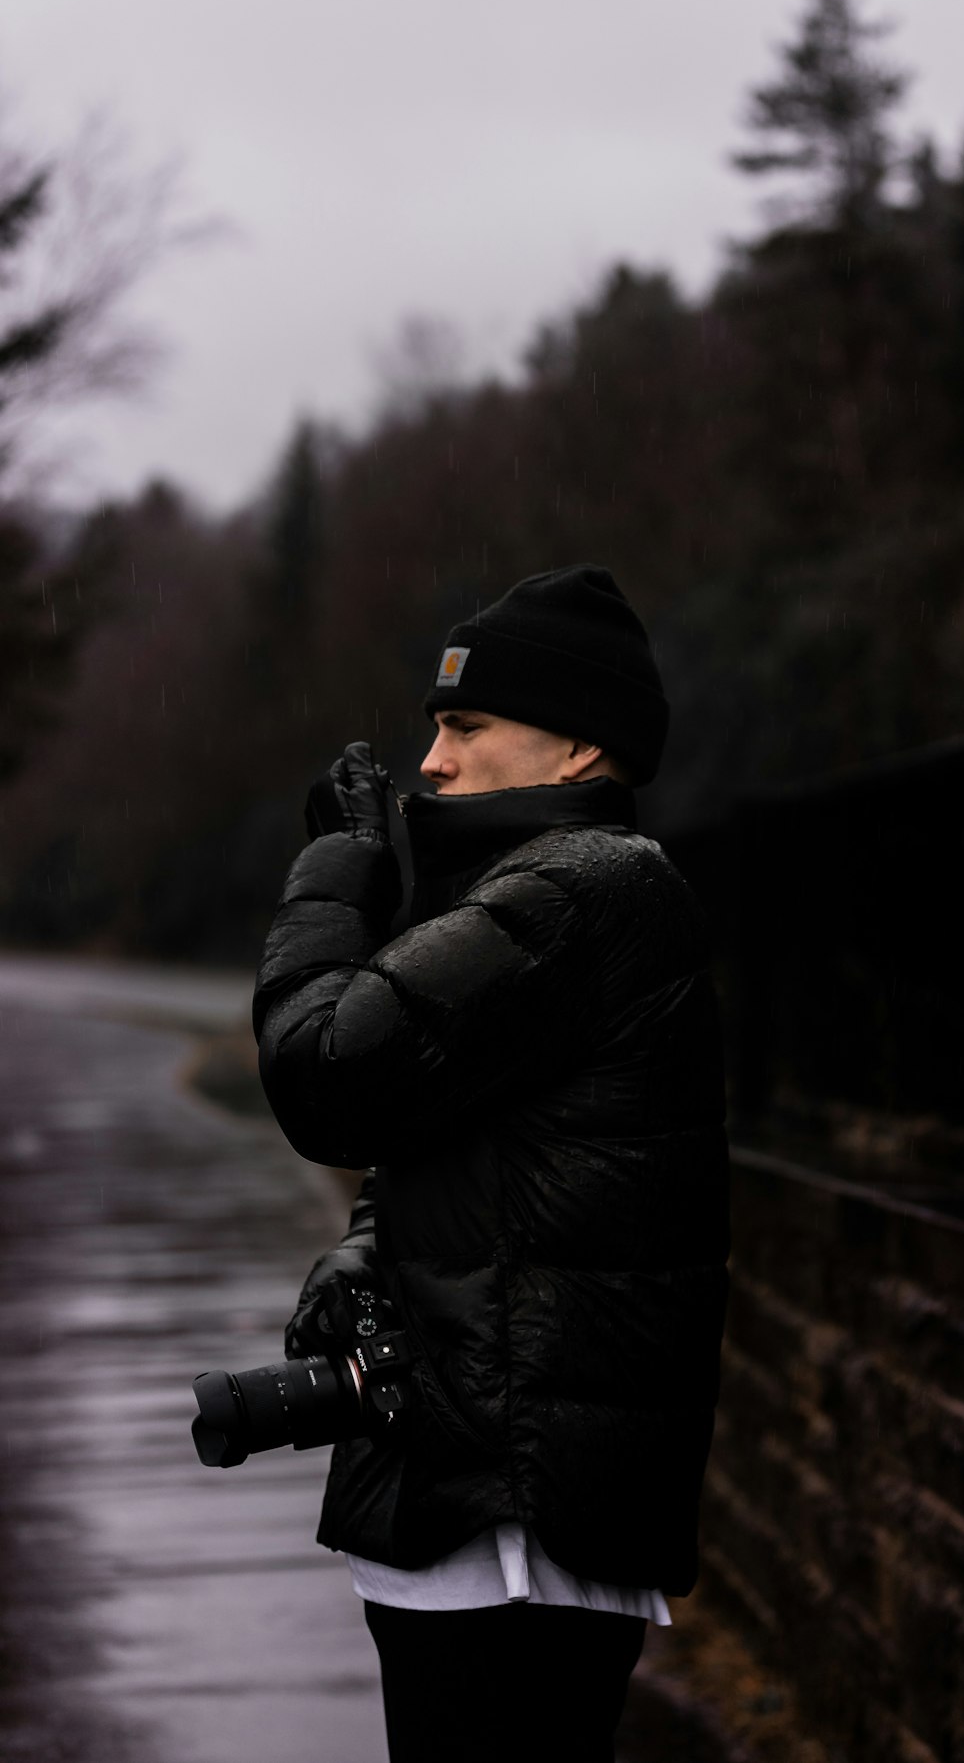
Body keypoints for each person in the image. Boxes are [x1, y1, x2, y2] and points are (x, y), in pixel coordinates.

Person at [251, 563, 730, 1763]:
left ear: (578, 748)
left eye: (465, 725)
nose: (434, 762)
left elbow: (326, 1074)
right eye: (433, 728)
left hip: (511, 1522)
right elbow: (460, 1147)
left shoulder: (577, 894)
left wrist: (330, 883)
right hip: (485, 1501)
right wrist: (370, 1251)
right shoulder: (550, 897)